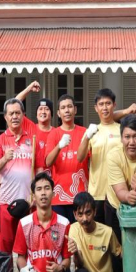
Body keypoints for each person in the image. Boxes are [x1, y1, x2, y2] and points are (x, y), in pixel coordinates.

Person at [0, 98, 42, 252]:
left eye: (18, 113)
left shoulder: (33, 140)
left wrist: (36, 195)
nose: (14, 116)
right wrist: (5, 158)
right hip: (7, 202)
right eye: (11, 113)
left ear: (23, 115)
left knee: (31, 244)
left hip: (29, 202)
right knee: (5, 245)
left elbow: (39, 169)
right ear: (5, 117)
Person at [14, 172, 71, 272]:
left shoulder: (64, 223)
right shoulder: (24, 223)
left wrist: (60, 268)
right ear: (34, 196)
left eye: (47, 188)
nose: (43, 193)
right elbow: (20, 257)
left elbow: (67, 258)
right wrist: (24, 271)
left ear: (53, 194)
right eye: (39, 189)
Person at [76, 88, 122, 224]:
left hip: (117, 189)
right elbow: (80, 158)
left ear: (114, 105)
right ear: (96, 108)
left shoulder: (121, 129)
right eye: (101, 104)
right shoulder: (91, 131)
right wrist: (87, 137)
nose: (105, 107)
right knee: (98, 235)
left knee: (116, 235)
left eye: (108, 103)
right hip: (97, 192)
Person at [44, 94, 88, 223]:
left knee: (79, 237)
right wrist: (59, 146)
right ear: (58, 113)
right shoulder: (54, 133)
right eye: (63, 108)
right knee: (60, 238)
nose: (67, 110)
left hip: (80, 195)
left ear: (75, 110)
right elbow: (48, 162)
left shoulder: (84, 132)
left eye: (69, 107)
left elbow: (87, 159)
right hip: (58, 197)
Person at [68, 191, 122, 272]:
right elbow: (79, 264)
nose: (84, 219)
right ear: (75, 215)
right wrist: (76, 252)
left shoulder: (107, 232)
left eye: (88, 213)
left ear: (95, 211)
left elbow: (120, 254)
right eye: (80, 214)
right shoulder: (73, 229)